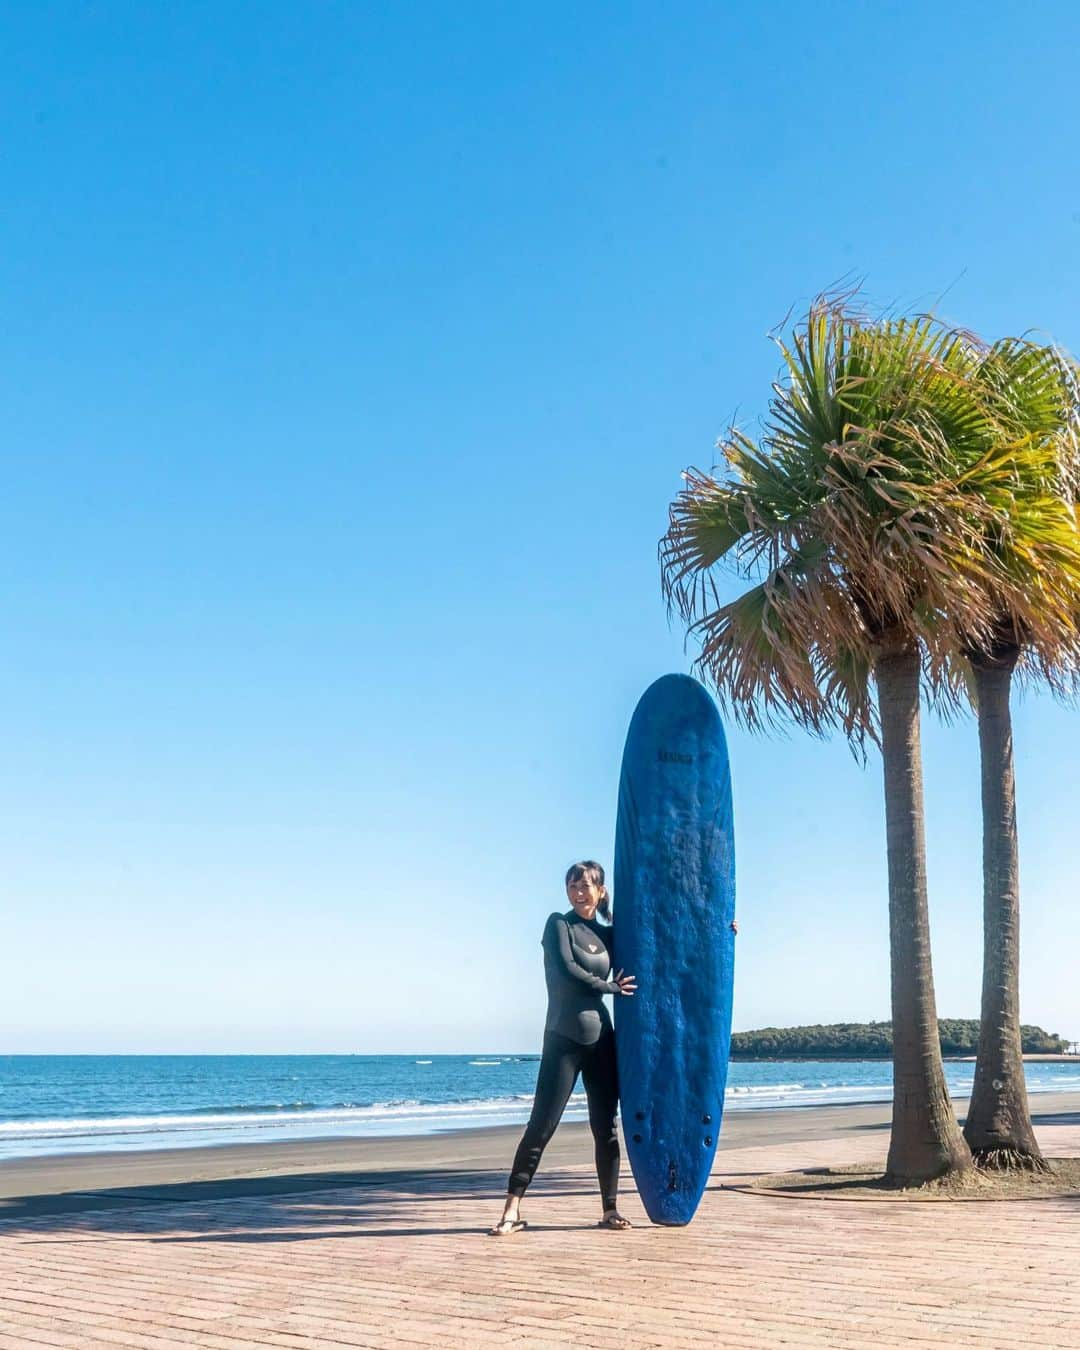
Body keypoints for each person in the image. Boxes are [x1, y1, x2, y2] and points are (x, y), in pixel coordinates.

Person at [488, 860, 637, 1235]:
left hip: (601, 1039)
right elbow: (569, 971)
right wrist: (610, 988)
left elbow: (661, 950)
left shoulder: (609, 935)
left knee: (606, 1128)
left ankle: (609, 1209)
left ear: (601, 891)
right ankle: (511, 1210)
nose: (579, 891)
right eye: (573, 885)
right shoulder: (559, 924)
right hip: (563, 1040)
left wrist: (723, 931)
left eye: (587, 885)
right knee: (541, 1125)